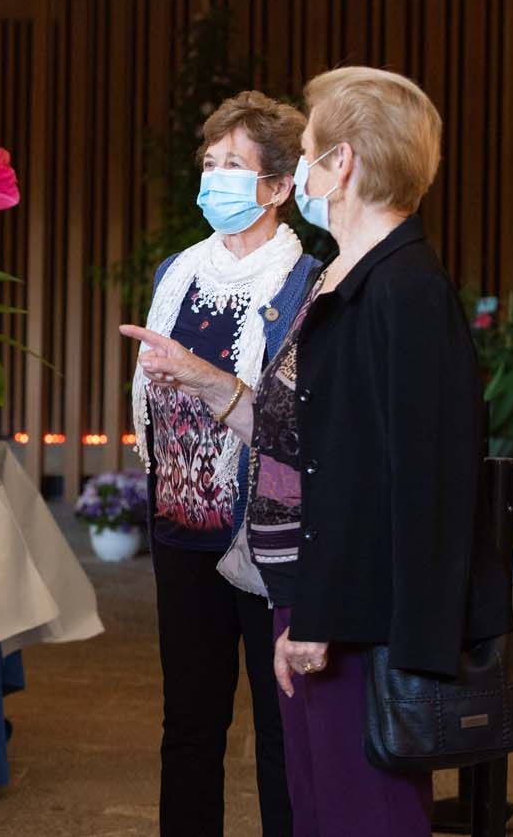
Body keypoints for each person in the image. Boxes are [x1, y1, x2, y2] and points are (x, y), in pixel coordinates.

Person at [124, 67, 513, 836]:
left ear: (344, 165)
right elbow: (313, 436)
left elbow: (404, 485)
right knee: (318, 807)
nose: (299, 168)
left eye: (305, 151)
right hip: (315, 604)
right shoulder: (354, 280)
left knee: (357, 812)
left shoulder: (401, 291)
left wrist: (322, 617)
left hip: (355, 626)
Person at [131, 91, 318, 837]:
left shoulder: (307, 283)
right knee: (189, 724)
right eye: (209, 163)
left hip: (266, 536)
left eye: (234, 166)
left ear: (277, 187)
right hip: (182, 529)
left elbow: (301, 416)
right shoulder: (178, 271)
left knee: (280, 733)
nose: (216, 179)